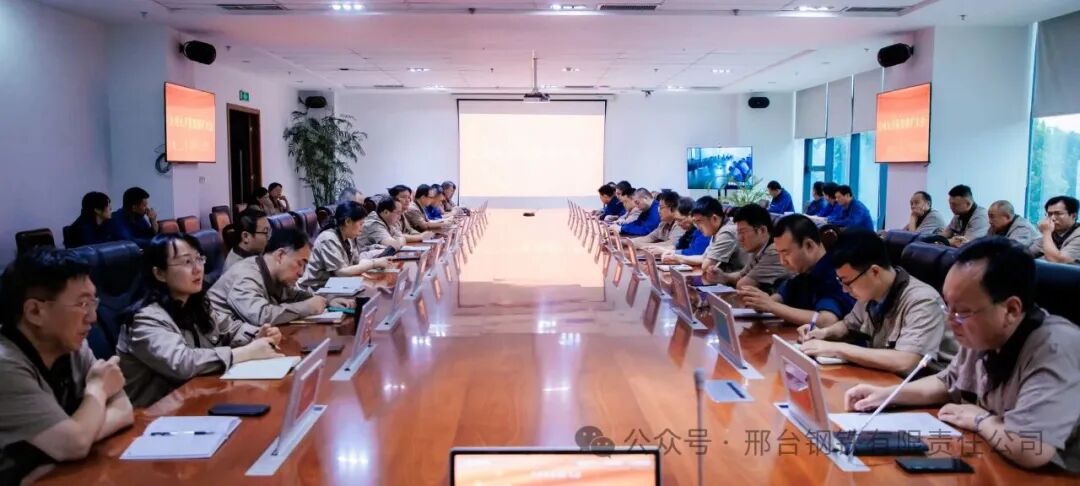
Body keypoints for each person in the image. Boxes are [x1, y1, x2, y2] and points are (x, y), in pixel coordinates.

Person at [844, 238, 1080, 472]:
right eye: (948, 307)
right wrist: (887, 395)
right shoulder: (982, 333)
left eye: (961, 312)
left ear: (1011, 309)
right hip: (997, 459)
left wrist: (981, 421)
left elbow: (1032, 447)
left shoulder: (1056, 347)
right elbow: (948, 383)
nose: (950, 321)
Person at [0, 249, 133, 476]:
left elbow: (124, 410)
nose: (92, 317)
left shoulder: (72, 345)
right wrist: (97, 389)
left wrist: (79, 433)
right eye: (83, 304)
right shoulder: (6, 365)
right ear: (35, 311)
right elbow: (74, 444)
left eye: (93, 303)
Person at [116, 234, 283, 407]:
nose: (198, 269)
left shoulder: (195, 303)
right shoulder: (145, 319)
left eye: (199, 259)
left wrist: (258, 335)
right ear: (160, 273)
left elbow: (228, 328)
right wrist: (245, 352)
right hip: (153, 414)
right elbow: (182, 363)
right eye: (187, 262)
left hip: (196, 398)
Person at [796, 230, 957, 375]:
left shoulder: (922, 300)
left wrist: (837, 349)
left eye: (848, 282)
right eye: (841, 282)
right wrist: (824, 333)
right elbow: (849, 326)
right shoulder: (871, 291)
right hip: (886, 379)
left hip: (926, 388)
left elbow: (907, 362)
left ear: (874, 272)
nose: (845, 290)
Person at [737, 214, 856, 328]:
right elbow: (781, 296)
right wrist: (759, 301)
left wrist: (771, 306)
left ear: (809, 245)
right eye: (779, 254)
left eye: (786, 253)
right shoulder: (804, 272)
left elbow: (826, 320)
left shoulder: (834, 272)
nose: (782, 261)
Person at [208, 228, 335, 326]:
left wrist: (327, 301)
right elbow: (261, 316)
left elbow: (294, 296)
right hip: (216, 343)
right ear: (280, 255)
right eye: (299, 264)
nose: (302, 273)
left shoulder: (272, 274)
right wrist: (307, 307)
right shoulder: (246, 274)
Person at [298, 202, 392, 291]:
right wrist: (373, 264)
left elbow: (357, 262)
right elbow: (341, 273)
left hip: (335, 285)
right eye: (360, 224)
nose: (362, 228)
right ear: (348, 221)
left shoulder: (348, 237)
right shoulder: (328, 239)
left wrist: (378, 261)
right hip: (315, 290)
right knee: (368, 291)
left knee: (374, 287)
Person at [705, 204, 790, 292]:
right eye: (738, 233)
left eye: (743, 232)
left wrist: (727, 279)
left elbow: (743, 285)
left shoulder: (775, 251)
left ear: (762, 230)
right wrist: (723, 276)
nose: (739, 238)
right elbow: (742, 275)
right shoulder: (757, 248)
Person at [663, 197, 744, 272]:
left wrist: (678, 258)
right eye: (695, 222)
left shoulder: (726, 232)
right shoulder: (716, 229)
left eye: (699, 221)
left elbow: (706, 265)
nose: (698, 227)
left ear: (714, 218)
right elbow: (703, 257)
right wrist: (677, 257)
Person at [1031, 195, 1080, 265]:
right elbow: (1030, 252)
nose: (1052, 218)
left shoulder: (1077, 234)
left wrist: (1046, 233)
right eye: (1049, 214)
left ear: (1074, 216)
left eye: (1058, 214)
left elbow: (1057, 261)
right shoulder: (1052, 231)